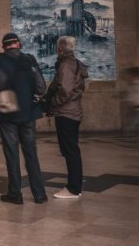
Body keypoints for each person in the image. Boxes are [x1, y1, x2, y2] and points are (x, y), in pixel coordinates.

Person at [0, 32, 48, 205]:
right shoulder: (30, 60)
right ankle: (40, 194)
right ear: (18, 44)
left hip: (8, 115)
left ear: (4, 46)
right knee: (31, 153)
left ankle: (15, 194)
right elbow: (41, 87)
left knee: (11, 154)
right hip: (29, 113)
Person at [48, 36, 87, 200]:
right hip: (73, 112)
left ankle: (73, 188)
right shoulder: (75, 63)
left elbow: (65, 91)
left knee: (69, 151)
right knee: (72, 150)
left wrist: (52, 104)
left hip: (66, 113)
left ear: (60, 49)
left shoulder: (65, 65)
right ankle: (76, 183)